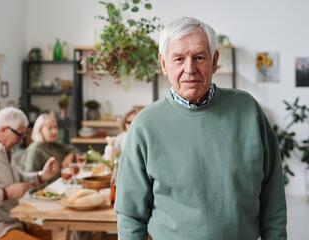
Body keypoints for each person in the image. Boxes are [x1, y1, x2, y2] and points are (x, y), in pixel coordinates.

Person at [114, 17, 287, 239]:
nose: (190, 69)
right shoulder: (145, 125)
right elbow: (130, 215)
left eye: (199, 57)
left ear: (214, 61)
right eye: (178, 59)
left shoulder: (248, 110)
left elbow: (273, 198)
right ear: (164, 64)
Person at [0, 107, 59, 240]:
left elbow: (19, 179)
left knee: (60, 234)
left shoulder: (5, 151)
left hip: (14, 224)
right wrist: (6, 193)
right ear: (3, 130)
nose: (20, 141)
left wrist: (42, 176)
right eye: (19, 135)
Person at [20, 114, 80, 186]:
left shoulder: (55, 145)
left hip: (60, 187)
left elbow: (74, 150)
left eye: (55, 127)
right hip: (46, 193)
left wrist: (69, 156)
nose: (54, 131)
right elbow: (30, 180)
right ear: (40, 130)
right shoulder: (35, 149)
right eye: (49, 128)